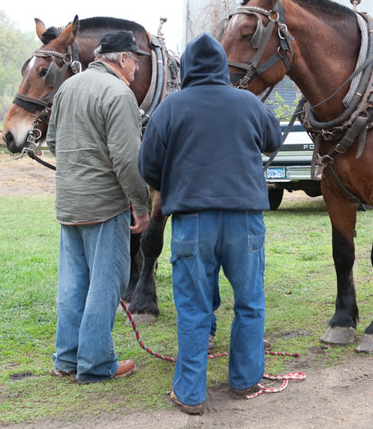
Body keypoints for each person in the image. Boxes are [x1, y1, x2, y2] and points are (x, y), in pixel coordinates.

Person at [139, 33, 281, 414]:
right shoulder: (248, 102)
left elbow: (147, 167)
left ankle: (190, 394)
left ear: (185, 69)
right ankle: (246, 379)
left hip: (192, 222)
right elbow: (274, 140)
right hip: (246, 220)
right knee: (250, 302)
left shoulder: (170, 108)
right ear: (221, 66)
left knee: (193, 308)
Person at [47, 30, 151, 383]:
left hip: (69, 203)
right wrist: (141, 204)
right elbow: (126, 158)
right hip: (106, 205)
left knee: (73, 283)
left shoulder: (67, 88)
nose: (137, 67)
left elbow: (52, 141)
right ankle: (95, 364)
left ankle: (66, 359)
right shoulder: (119, 94)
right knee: (107, 283)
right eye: (135, 59)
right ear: (121, 58)